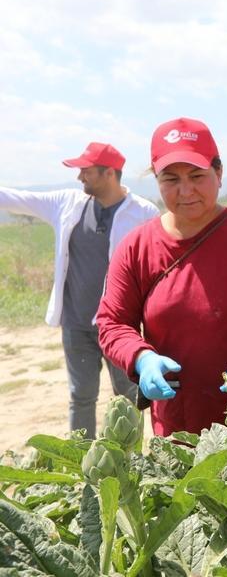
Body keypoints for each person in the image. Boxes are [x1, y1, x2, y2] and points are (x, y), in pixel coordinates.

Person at [97, 117, 227, 436]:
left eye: (197, 176)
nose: (186, 191)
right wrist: (142, 359)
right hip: (181, 426)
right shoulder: (136, 249)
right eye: (170, 179)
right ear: (156, 180)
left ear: (219, 173)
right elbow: (112, 322)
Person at [0, 143, 157, 437]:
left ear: (109, 173)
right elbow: (16, 199)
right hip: (76, 324)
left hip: (121, 326)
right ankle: (81, 463)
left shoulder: (143, 213)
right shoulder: (67, 203)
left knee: (128, 398)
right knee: (81, 397)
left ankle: (131, 463)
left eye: (86, 171)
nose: (79, 177)